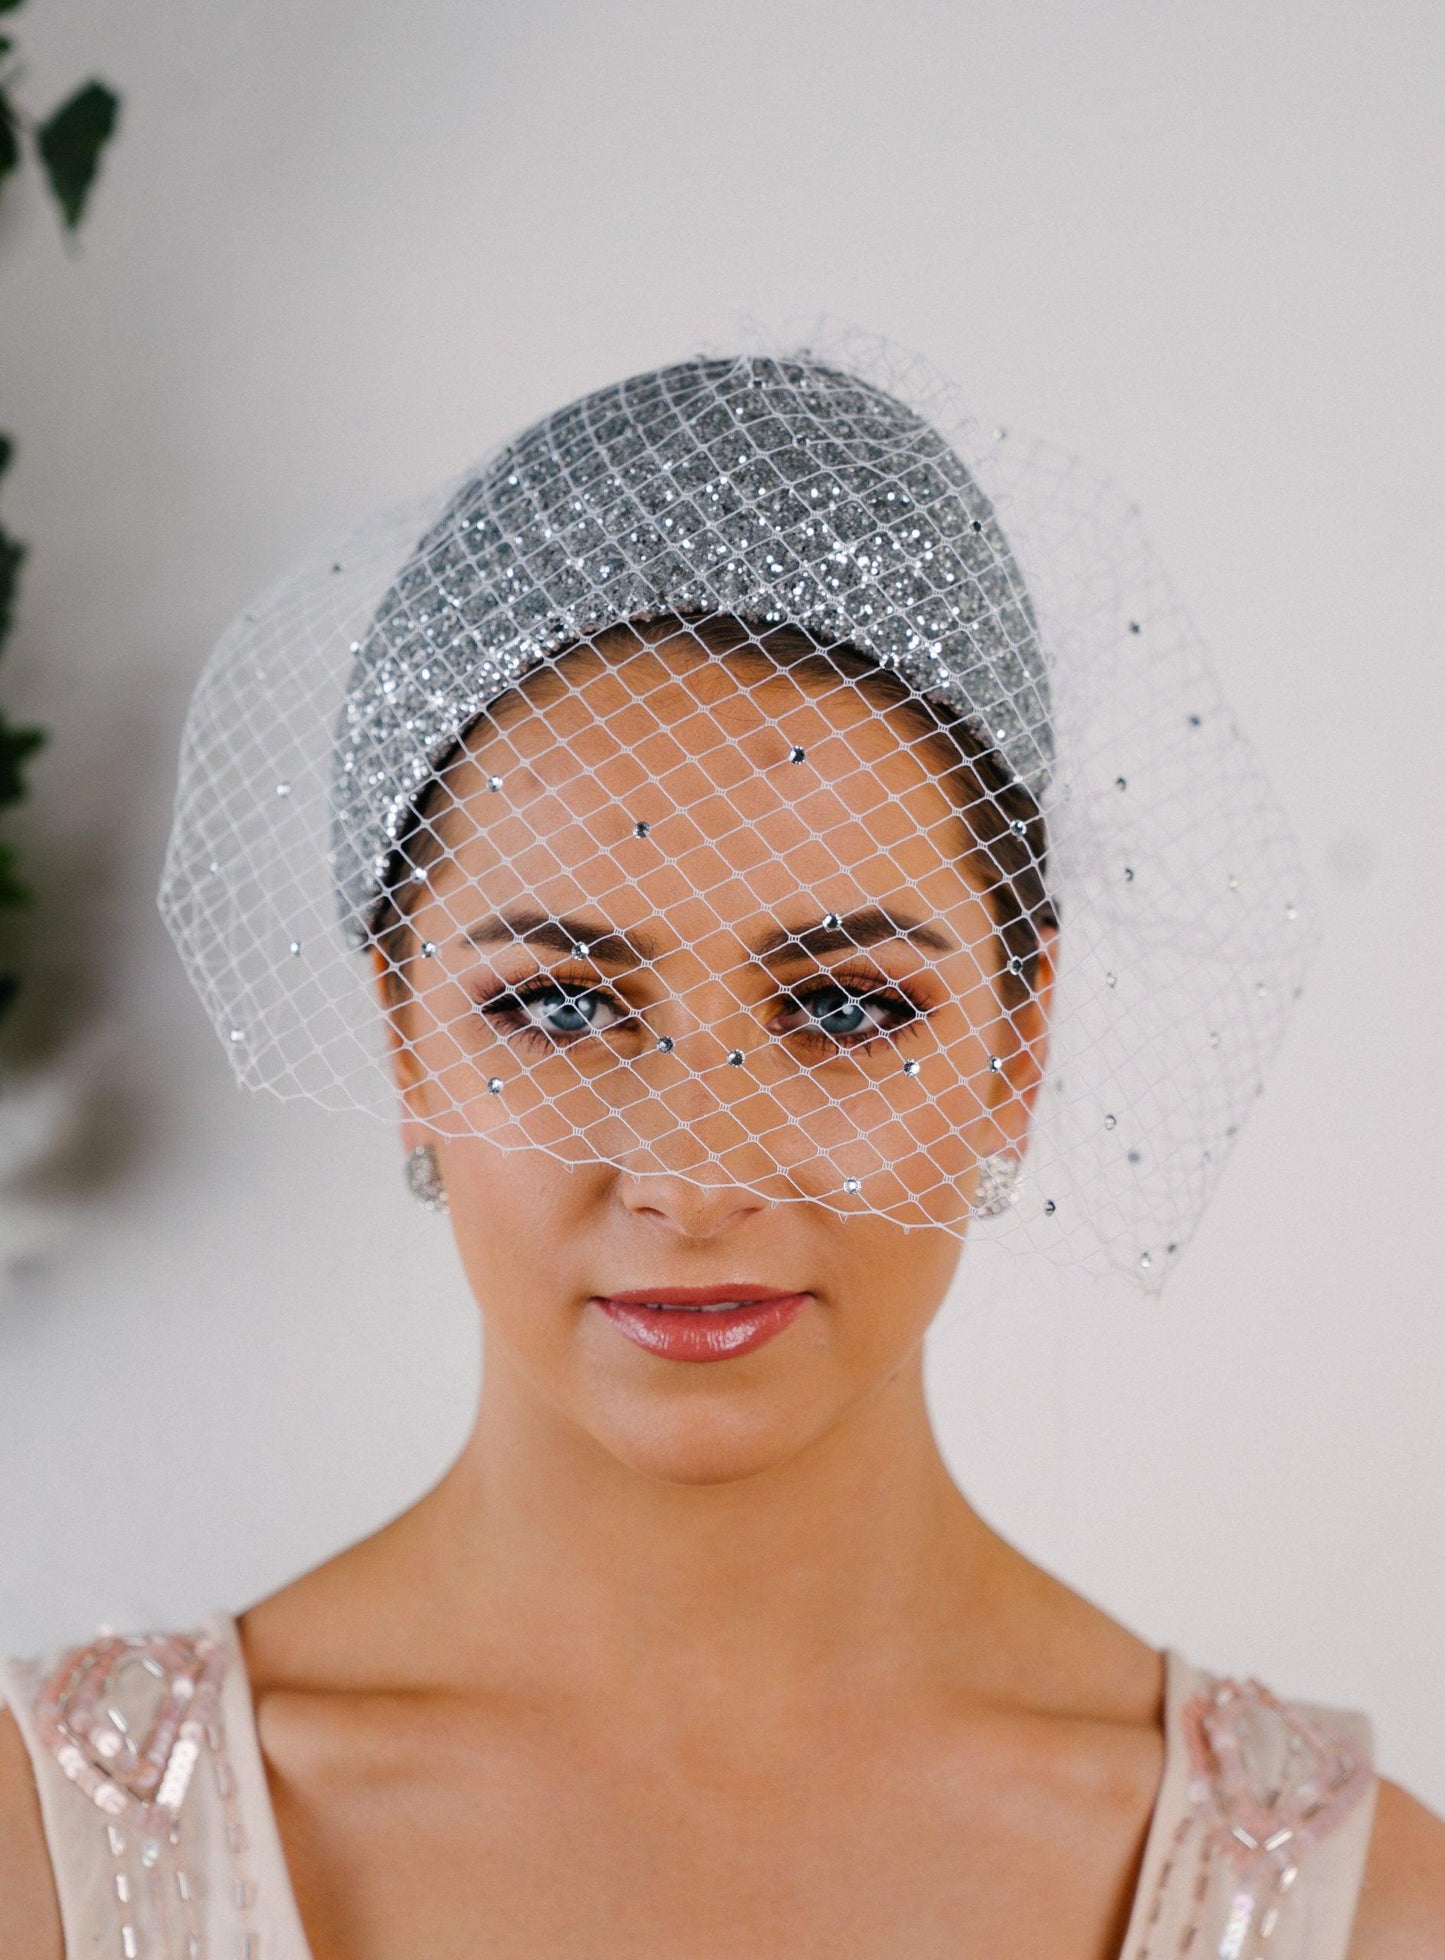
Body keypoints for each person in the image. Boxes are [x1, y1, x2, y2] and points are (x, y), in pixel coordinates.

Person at [2, 350, 1440, 1957]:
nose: (694, 1174)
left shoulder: (1357, 1909)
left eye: (842, 1009)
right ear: (403, 1042)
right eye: (556, 1005)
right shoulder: (44, 1864)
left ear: (1016, 1049)